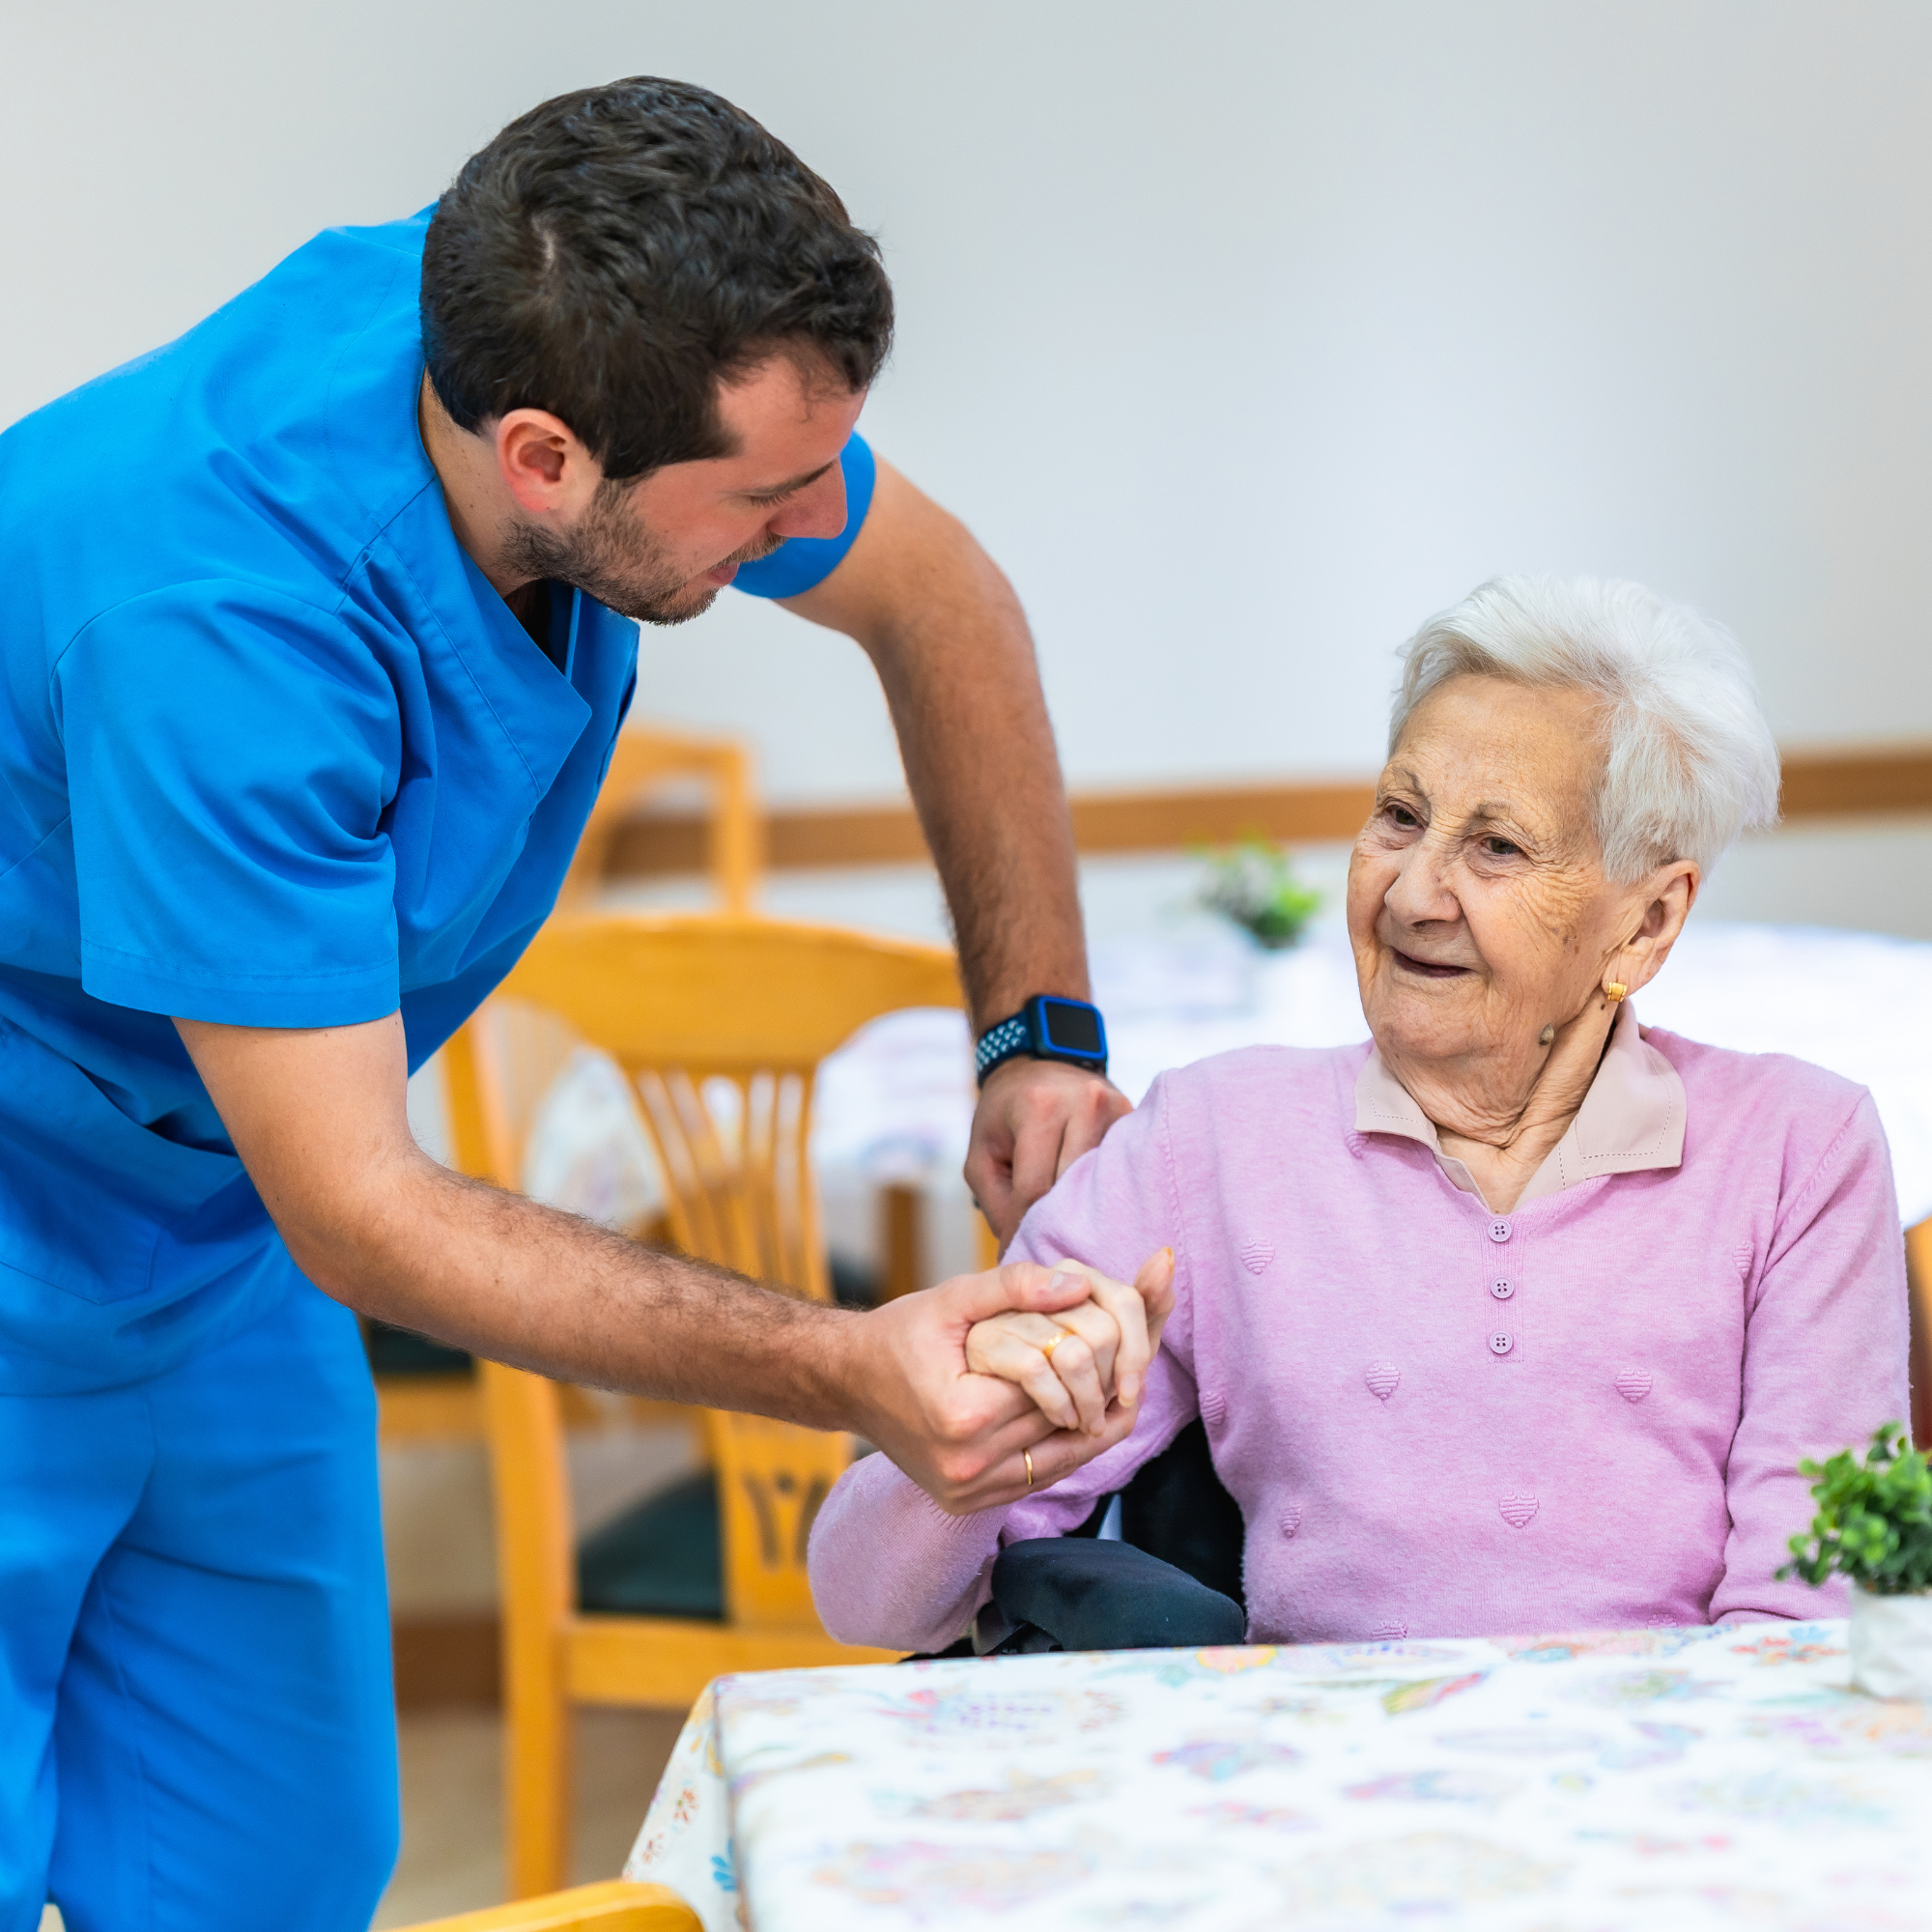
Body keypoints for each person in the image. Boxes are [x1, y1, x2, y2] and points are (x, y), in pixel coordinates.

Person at [0, 78, 1159, 1932]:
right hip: (91, 1222)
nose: (808, 524)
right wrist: (845, 1369)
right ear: (546, 460)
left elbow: (940, 601)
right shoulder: (219, 624)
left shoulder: (550, 331)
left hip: (204, 1240)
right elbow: (368, 1209)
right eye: (767, 499)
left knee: (273, 1877)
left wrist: (1038, 1032)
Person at [808, 576, 1914, 1653]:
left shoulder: (1795, 1151)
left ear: (1644, 923)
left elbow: (1805, 1629)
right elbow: (867, 1602)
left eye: (1494, 845)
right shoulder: (1211, 1141)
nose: (1409, 890)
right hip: (1308, 1799)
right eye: (1399, 814)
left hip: (1663, 1806)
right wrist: (982, 1442)